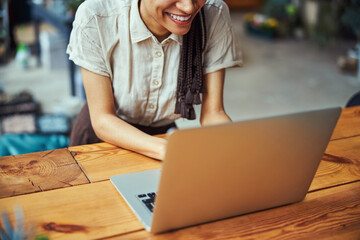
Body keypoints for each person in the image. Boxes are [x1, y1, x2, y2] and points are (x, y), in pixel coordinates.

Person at [66, 0, 242, 160]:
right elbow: (103, 119)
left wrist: (232, 147)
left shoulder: (213, 14)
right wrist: (169, 151)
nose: (189, 7)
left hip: (162, 136)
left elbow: (213, 113)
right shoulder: (96, 17)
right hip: (102, 140)